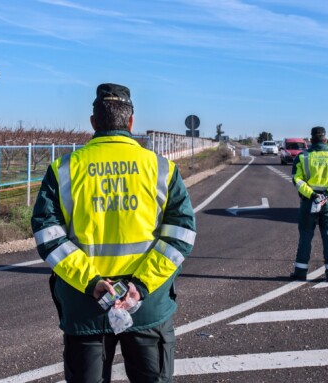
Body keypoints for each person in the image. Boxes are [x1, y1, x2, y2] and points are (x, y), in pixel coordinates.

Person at [31, 83, 196, 383]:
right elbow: (181, 234)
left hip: (86, 307)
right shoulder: (162, 170)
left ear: (94, 122)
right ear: (131, 122)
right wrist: (140, 286)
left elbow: (47, 235)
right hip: (146, 308)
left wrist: (92, 283)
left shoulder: (63, 170)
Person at [290, 126, 328, 282]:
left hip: (309, 202)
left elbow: (297, 180)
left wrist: (312, 194)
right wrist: (327, 195)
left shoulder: (303, 157)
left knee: (305, 236)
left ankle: (300, 272)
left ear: (311, 140)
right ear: (326, 139)